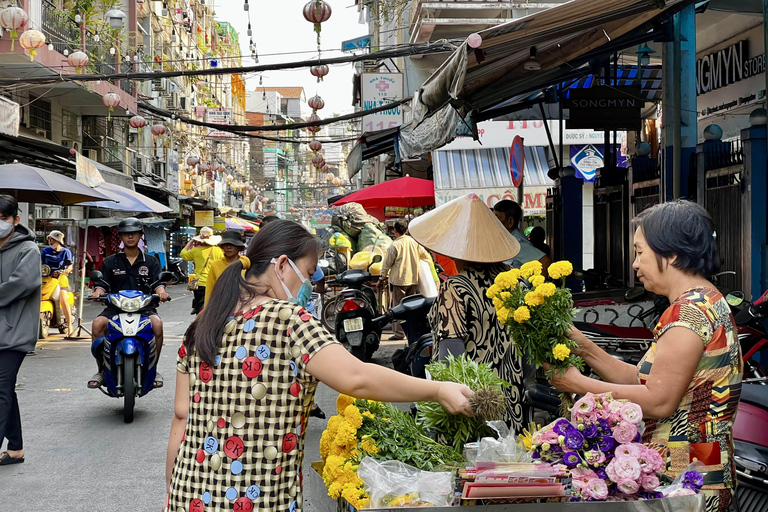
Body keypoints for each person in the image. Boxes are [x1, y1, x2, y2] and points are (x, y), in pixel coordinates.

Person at [165, 219, 473, 512]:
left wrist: (171, 496)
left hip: (188, 494)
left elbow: (181, 418)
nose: (310, 282)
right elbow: (356, 377)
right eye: (309, 272)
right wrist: (437, 389)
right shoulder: (289, 321)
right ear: (282, 265)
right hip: (259, 499)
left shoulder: (202, 324)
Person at [547, 200, 742, 512]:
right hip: (699, 463)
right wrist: (584, 347)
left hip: (686, 475)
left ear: (673, 253)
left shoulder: (688, 313)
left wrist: (578, 384)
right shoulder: (707, 300)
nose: (635, 264)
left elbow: (658, 401)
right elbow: (643, 381)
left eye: (640, 252)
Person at [409, 193, 527, 432]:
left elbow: (450, 357)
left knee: (468, 467)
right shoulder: (518, 282)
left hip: (471, 405)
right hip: (513, 400)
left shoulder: (456, 287)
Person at [89, 218, 170, 389]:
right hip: (115, 308)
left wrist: (162, 292)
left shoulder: (151, 261)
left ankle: (153, 368)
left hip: (144, 308)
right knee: (97, 324)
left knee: (157, 324)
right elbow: (101, 284)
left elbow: (158, 283)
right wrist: (98, 292)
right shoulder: (111, 262)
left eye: (134, 233)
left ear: (141, 235)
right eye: (126, 234)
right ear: (120, 237)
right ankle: (102, 369)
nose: (130, 237)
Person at [0, 195, 41, 467]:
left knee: (1, 388)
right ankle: (16, 449)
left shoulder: (28, 250)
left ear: (16, 219)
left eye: (3, 218)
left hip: (15, 332)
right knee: (5, 389)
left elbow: (22, 283)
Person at [379, 218, 431, 340]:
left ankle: (399, 334)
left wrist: (381, 278)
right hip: (413, 280)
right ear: (406, 230)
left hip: (399, 281)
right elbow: (426, 257)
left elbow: (386, 264)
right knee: (412, 308)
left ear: (395, 231)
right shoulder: (415, 243)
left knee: (398, 308)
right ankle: (411, 333)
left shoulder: (395, 245)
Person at [493, 200, 551, 275]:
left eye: (496, 218)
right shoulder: (507, 240)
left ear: (510, 222)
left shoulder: (516, 243)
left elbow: (545, 262)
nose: (493, 223)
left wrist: (536, 284)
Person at [181, 226, 223, 315]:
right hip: (214, 282)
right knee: (211, 306)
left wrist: (191, 241)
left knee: (200, 308)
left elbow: (183, 254)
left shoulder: (196, 250)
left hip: (199, 283)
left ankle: (198, 317)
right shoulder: (218, 251)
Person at [41, 230, 74, 336]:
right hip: (46, 277)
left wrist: (67, 269)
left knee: (63, 300)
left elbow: (70, 265)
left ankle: (70, 326)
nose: (50, 242)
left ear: (58, 240)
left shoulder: (65, 252)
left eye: (53, 239)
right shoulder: (45, 251)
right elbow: (39, 263)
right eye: (49, 239)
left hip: (61, 278)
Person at [204, 230, 248, 307]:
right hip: (221, 306)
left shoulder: (246, 264)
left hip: (243, 307)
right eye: (226, 244)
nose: (228, 247)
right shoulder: (215, 265)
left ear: (239, 247)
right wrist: (206, 309)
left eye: (232, 244)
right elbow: (210, 289)